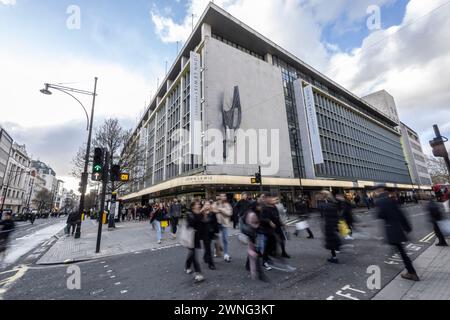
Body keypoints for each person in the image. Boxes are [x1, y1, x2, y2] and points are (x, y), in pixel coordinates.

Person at [374, 186, 419, 281]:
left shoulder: (379, 201)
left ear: (379, 191)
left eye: (376, 191)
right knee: (401, 251)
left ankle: (412, 272)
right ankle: (411, 271)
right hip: (398, 229)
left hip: (391, 230)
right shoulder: (392, 199)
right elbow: (401, 214)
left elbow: (379, 215)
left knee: (401, 252)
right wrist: (407, 227)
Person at [185, 200, 205, 283]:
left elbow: (202, 223)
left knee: (191, 254)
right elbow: (190, 225)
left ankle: (187, 266)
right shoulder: (190, 214)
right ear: (193, 206)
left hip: (197, 237)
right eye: (197, 204)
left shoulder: (200, 213)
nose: (198, 205)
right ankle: (198, 273)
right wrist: (198, 213)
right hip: (191, 236)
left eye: (199, 204)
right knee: (194, 255)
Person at [318, 191, 341, 264]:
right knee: (332, 241)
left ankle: (335, 257)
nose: (320, 196)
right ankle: (334, 256)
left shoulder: (327, 204)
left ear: (325, 196)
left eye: (321, 195)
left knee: (331, 241)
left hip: (329, 225)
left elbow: (321, 207)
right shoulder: (332, 203)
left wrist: (321, 200)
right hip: (332, 224)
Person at [260, 193, 281, 269]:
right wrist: (269, 221)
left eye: (274, 199)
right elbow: (262, 218)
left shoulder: (274, 207)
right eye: (272, 199)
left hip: (274, 230)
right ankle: (264, 261)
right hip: (266, 230)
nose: (273, 200)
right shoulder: (265, 208)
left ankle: (269, 258)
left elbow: (277, 217)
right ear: (267, 199)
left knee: (273, 245)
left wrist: (281, 223)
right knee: (267, 246)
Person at [213, 194, 233, 263]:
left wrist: (220, 210)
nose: (223, 197)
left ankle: (226, 254)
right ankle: (217, 251)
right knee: (216, 240)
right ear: (219, 197)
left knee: (225, 239)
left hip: (224, 224)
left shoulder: (227, 204)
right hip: (217, 223)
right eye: (221, 196)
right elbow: (213, 210)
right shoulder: (215, 203)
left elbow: (229, 213)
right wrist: (222, 210)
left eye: (224, 196)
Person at [201, 201, 218, 270]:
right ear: (204, 205)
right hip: (204, 234)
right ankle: (211, 264)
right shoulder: (201, 214)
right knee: (209, 249)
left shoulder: (213, 213)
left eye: (208, 204)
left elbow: (215, 223)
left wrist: (216, 232)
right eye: (206, 204)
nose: (207, 206)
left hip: (211, 233)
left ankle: (205, 257)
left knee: (208, 248)